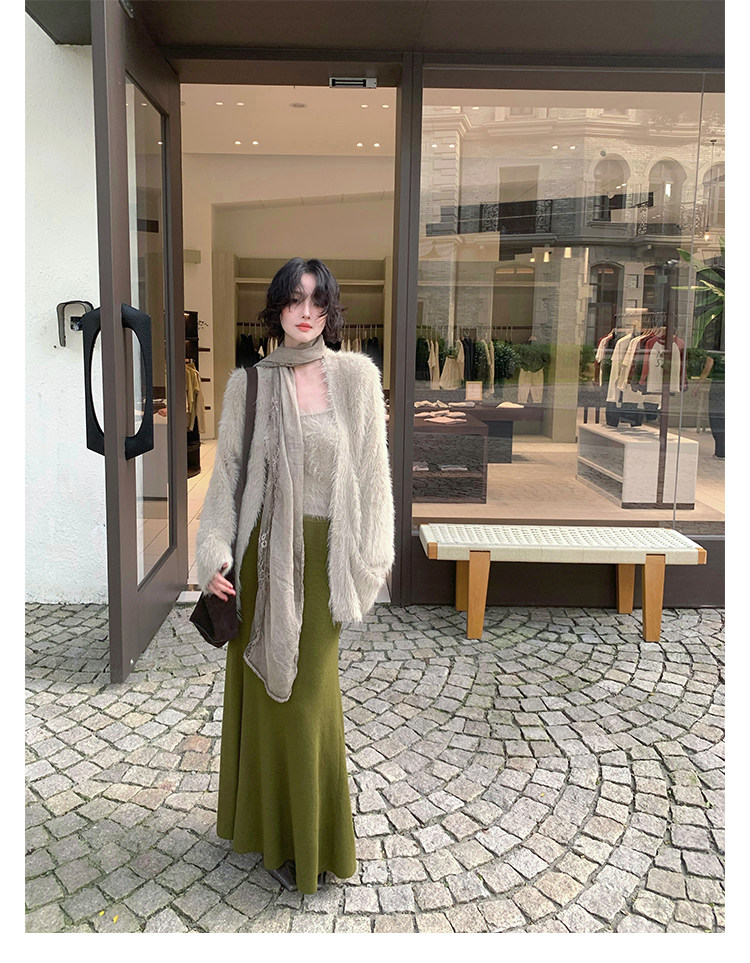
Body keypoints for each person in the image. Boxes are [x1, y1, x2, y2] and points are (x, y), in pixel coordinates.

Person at [195, 257, 395, 895]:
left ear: (330, 310)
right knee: (264, 695)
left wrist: (370, 562)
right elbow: (228, 474)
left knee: (309, 699)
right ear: (276, 310)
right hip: (260, 560)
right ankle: (267, 833)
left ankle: (314, 841)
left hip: (323, 557)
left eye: (316, 301)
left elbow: (373, 475)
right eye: (293, 300)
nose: (306, 312)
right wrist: (215, 551)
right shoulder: (250, 384)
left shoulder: (356, 378)